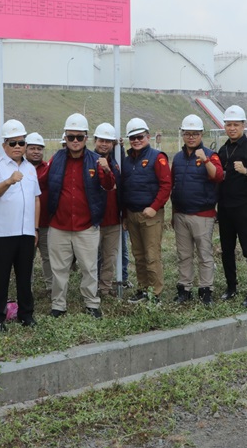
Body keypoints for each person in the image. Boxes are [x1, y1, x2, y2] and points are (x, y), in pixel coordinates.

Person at [40, 113, 115, 318]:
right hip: (59, 225)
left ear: (86, 138)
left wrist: (107, 170)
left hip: (86, 226)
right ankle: (58, 305)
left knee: (89, 268)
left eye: (79, 137)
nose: (75, 141)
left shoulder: (96, 161)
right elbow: (41, 181)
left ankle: (91, 303)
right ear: (65, 137)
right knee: (59, 269)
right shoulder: (56, 159)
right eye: (71, 137)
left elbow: (109, 186)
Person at [0, 120, 40, 331]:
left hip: (26, 231)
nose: (18, 147)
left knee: (25, 276)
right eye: (13, 143)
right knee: (0, 276)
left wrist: (35, 228)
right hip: (3, 232)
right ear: (4, 145)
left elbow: (36, 198)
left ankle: (26, 314)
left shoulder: (30, 168)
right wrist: (9, 181)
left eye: (21, 142)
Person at [216, 104, 247, 307]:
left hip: (244, 206)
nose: (232, 128)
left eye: (236, 124)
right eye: (228, 124)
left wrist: (246, 171)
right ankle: (231, 287)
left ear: (243, 125)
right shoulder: (223, 149)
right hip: (225, 208)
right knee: (226, 250)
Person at [170, 114, 224, 305]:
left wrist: (206, 161)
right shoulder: (178, 158)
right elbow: (174, 185)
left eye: (195, 134)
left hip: (203, 215)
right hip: (181, 214)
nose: (191, 137)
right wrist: (173, 213)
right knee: (184, 255)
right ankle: (184, 288)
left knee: (204, 254)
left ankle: (205, 289)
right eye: (187, 133)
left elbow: (218, 176)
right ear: (183, 134)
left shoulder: (211, 155)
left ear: (201, 134)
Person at [121, 117, 172, 302]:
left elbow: (166, 185)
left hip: (150, 215)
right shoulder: (127, 161)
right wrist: (124, 215)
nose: (136, 140)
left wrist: (154, 207)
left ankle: (155, 293)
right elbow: (124, 189)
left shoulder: (157, 157)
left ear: (148, 136)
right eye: (132, 137)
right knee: (139, 255)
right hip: (132, 214)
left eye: (140, 137)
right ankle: (143, 289)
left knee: (151, 256)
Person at [92, 123, 122, 297]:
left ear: (113, 144)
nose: (104, 144)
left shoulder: (116, 162)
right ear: (95, 141)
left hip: (113, 220)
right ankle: (91, 288)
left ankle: (105, 288)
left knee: (109, 257)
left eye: (108, 141)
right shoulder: (88, 161)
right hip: (93, 220)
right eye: (101, 140)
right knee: (91, 258)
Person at [24, 132, 52, 290]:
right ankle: (26, 288)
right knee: (27, 257)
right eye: (32, 148)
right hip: (26, 223)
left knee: (49, 257)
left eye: (39, 149)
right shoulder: (19, 169)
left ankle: (51, 287)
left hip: (46, 223)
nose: (36, 152)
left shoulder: (49, 168)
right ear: (25, 149)